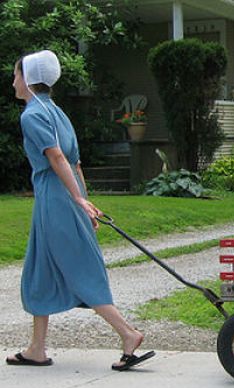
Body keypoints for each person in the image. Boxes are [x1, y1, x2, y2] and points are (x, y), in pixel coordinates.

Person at [6, 50, 154, 371]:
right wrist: (83, 200)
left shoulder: (32, 115)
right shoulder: (57, 112)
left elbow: (58, 158)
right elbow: (75, 163)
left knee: (79, 269)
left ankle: (128, 334)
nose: (13, 80)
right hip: (65, 196)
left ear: (29, 80)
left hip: (54, 198)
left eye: (16, 74)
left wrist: (78, 201)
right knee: (40, 270)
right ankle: (36, 348)